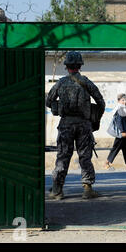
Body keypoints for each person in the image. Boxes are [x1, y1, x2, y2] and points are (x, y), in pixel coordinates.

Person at [46, 51, 105, 200]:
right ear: (79, 65)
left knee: (63, 157)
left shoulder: (60, 83)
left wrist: (56, 107)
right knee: (85, 157)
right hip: (84, 125)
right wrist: (94, 118)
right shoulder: (86, 82)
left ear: (66, 66)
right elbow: (101, 102)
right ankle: (87, 189)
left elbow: (48, 101)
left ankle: (57, 190)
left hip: (66, 124)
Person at [105, 93, 126, 170]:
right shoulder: (119, 109)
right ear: (119, 101)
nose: (124, 102)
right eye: (122, 100)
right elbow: (119, 121)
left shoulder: (125, 109)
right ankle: (107, 163)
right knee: (116, 148)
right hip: (122, 133)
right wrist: (122, 131)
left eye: (125, 100)